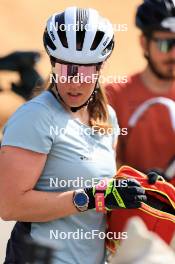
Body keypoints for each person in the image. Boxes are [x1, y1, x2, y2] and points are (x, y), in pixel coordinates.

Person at [0, 7, 146, 264]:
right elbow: (9, 206)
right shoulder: (35, 117)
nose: (75, 82)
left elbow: (101, 185)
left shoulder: (106, 117)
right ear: (54, 64)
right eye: (67, 69)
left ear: (100, 67)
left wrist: (142, 188)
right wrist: (93, 197)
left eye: (86, 71)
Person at [105, 0, 175, 185]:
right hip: (133, 208)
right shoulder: (114, 95)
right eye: (165, 44)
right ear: (144, 43)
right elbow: (101, 162)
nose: (174, 54)